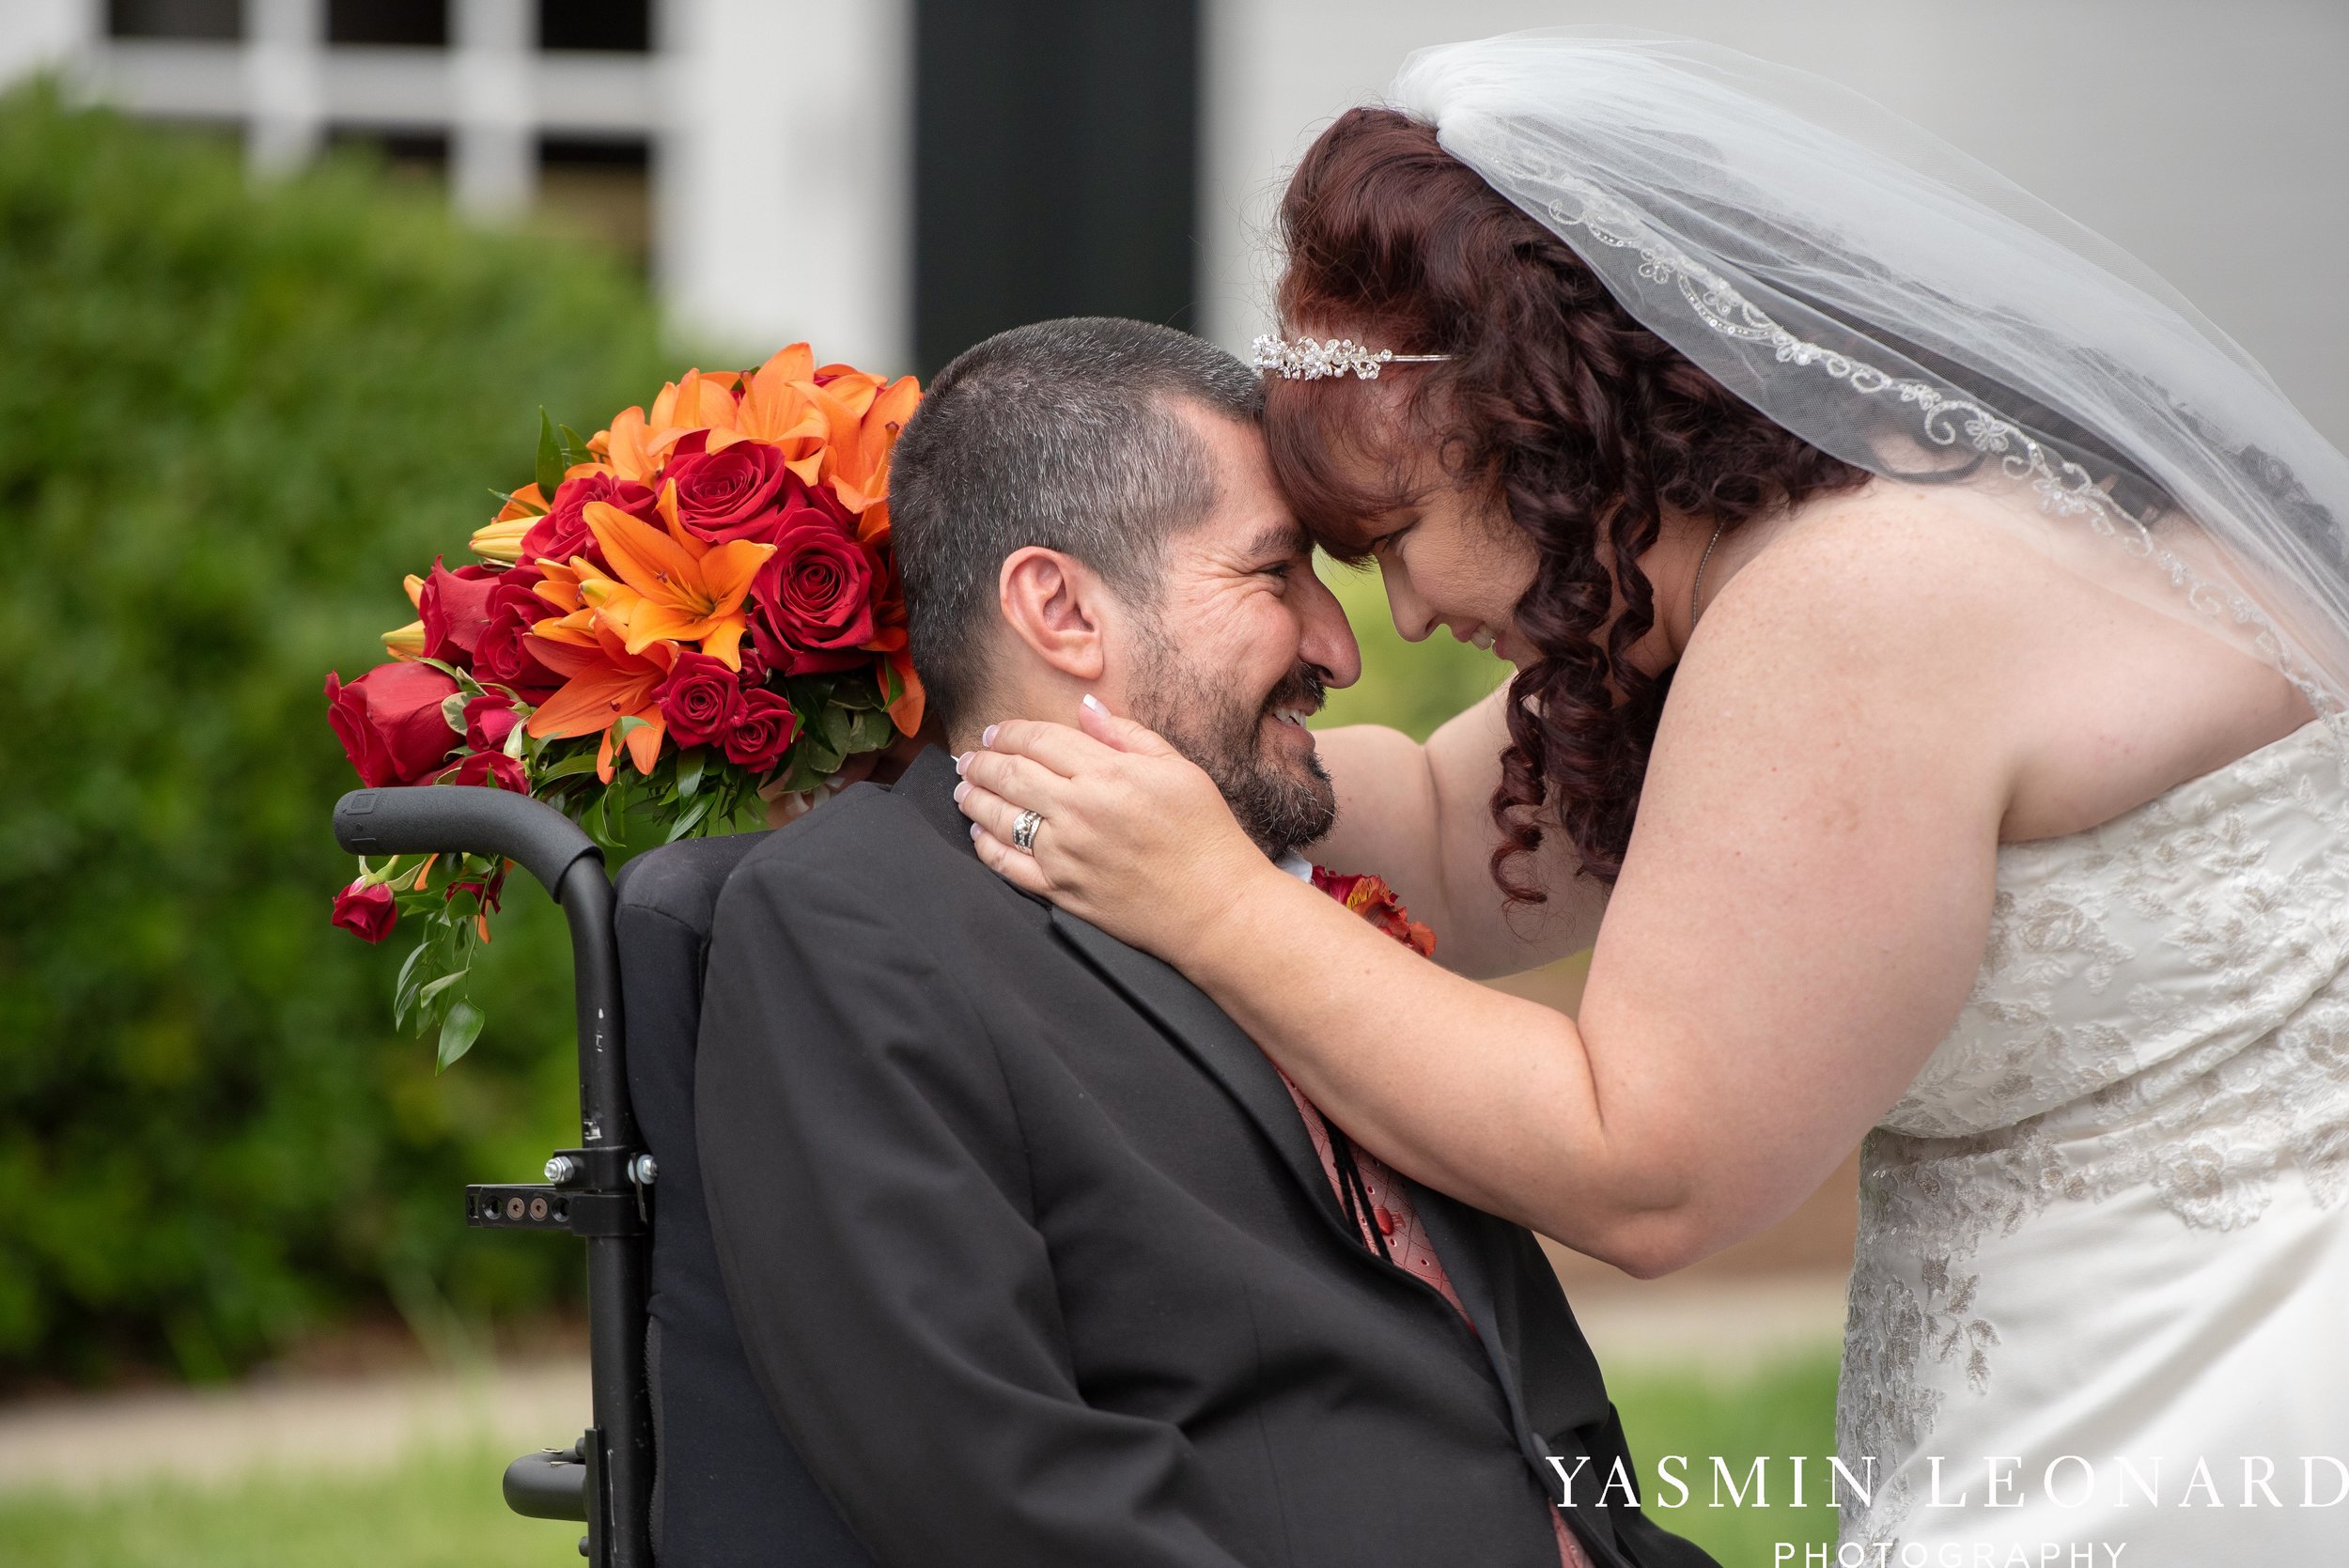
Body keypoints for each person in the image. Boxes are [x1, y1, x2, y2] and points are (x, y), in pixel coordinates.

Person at [953, 32, 2349, 1565]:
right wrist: (1033, 725)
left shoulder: (1851, 611)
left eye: (1398, 531)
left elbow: (1652, 1164)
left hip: (2219, 1389)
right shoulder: (1808, 544)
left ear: (1545, 430)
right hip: (2098, 1366)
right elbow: (1429, 824)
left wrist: (1209, 906)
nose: (1401, 615)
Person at [694, 317, 1715, 1568]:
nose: (1341, 644)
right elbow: (1000, 1493)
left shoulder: (1275, 875)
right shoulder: (857, 918)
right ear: (1059, 605)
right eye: (1275, 572)